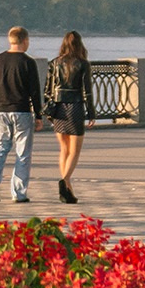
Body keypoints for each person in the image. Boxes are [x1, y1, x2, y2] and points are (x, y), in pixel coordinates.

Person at [0, 27, 41, 204]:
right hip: (21, 111)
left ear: (10, 40)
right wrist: (38, 115)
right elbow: (34, 91)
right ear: (25, 41)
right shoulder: (28, 62)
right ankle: (18, 193)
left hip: (0, 112)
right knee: (23, 153)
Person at [44, 31, 95, 205]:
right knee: (75, 151)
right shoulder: (83, 64)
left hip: (58, 108)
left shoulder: (54, 63)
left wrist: (48, 110)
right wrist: (92, 113)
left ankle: (68, 188)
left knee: (64, 149)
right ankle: (64, 181)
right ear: (80, 44)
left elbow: (48, 89)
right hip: (75, 107)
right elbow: (87, 90)